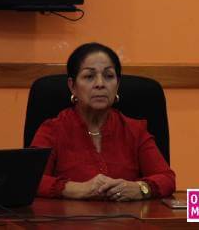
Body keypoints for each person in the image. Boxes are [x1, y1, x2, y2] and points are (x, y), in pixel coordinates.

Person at [30, 43, 176, 200]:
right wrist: (76, 189)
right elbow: (30, 179)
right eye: (89, 76)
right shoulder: (52, 130)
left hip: (126, 222)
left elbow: (167, 178)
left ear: (117, 85)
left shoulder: (135, 130)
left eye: (109, 76)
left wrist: (140, 188)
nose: (100, 84)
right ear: (72, 87)